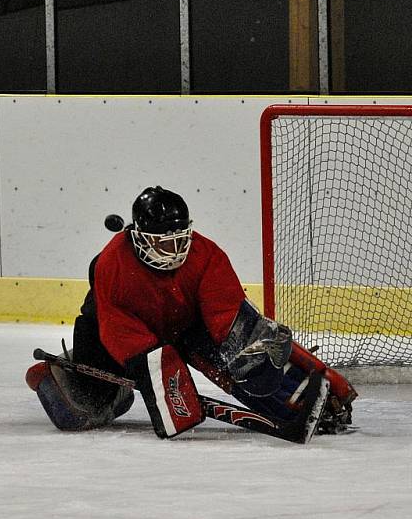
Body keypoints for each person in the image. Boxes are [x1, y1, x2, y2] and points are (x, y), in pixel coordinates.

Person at [26, 186, 357, 440]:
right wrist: (153, 367)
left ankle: (301, 398)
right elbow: (118, 330)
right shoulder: (112, 265)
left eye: (180, 240)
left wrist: (250, 357)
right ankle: (52, 378)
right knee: (84, 409)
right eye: (163, 244)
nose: (175, 251)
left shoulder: (207, 254)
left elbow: (226, 315)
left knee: (238, 363)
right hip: (110, 334)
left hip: (184, 324)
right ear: (140, 238)